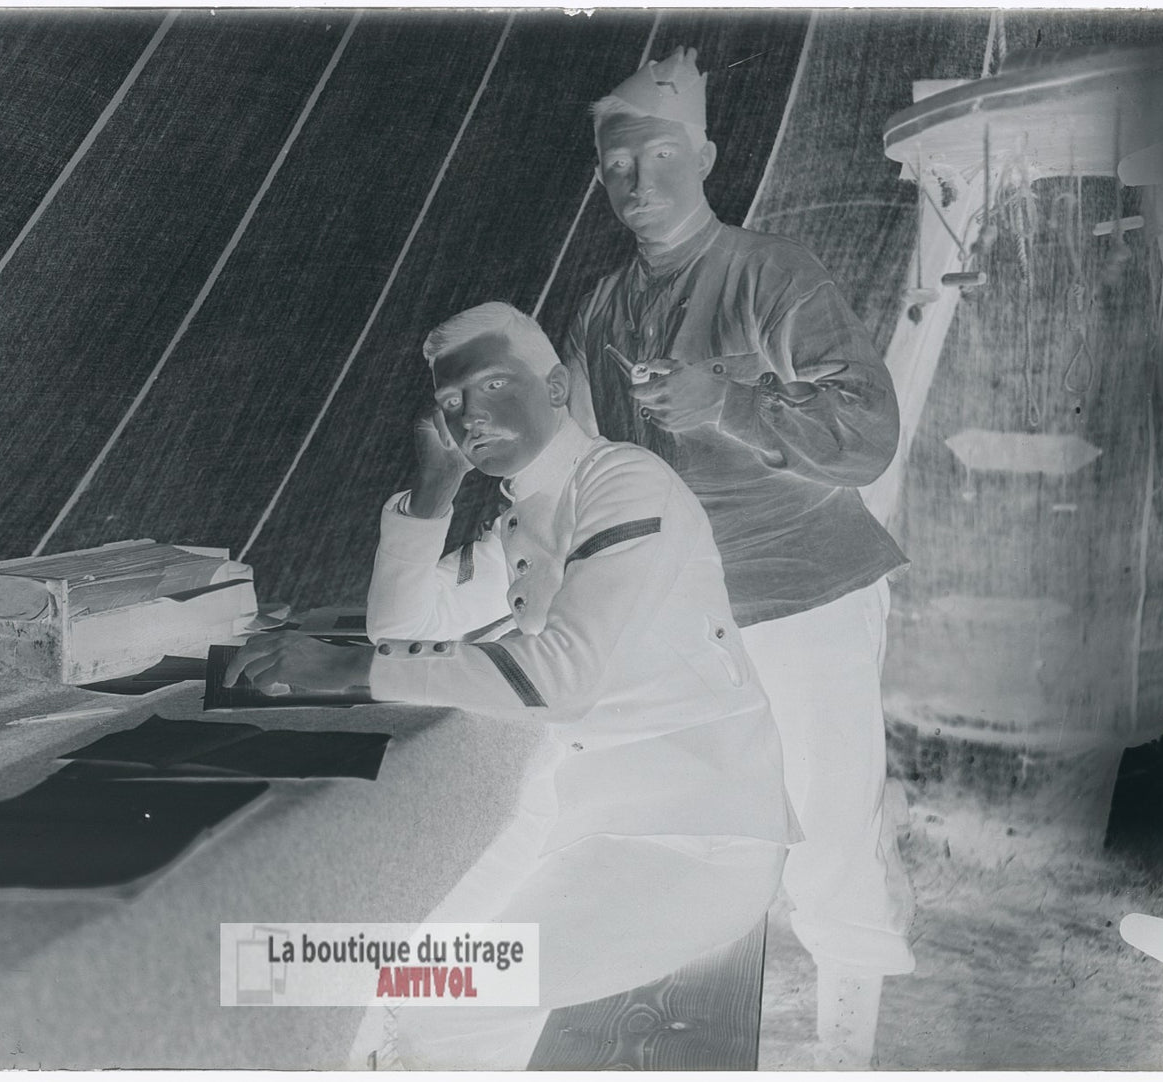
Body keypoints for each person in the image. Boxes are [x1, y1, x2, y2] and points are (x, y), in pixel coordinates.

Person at [225, 301, 798, 1070]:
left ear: (556, 388)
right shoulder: (520, 518)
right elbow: (403, 631)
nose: (469, 415)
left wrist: (345, 665)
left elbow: (560, 678)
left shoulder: (624, 482)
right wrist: (433, 489)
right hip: (581, 822)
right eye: (452, 401)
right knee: (306, 960)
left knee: (429, 988)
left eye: (494, 385)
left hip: (692, 836)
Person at [563, 46, 916, 1069]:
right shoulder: (599, 309)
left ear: (704, 154)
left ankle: (846, 1050)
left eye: (654, 155)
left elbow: (866, 435)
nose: (633, 181)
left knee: (829, 835)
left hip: (800, 598)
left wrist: (731, 401)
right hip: (686, 621)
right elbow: (596, 467)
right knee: (702, 835)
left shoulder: (771, 273)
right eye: (613, 165)